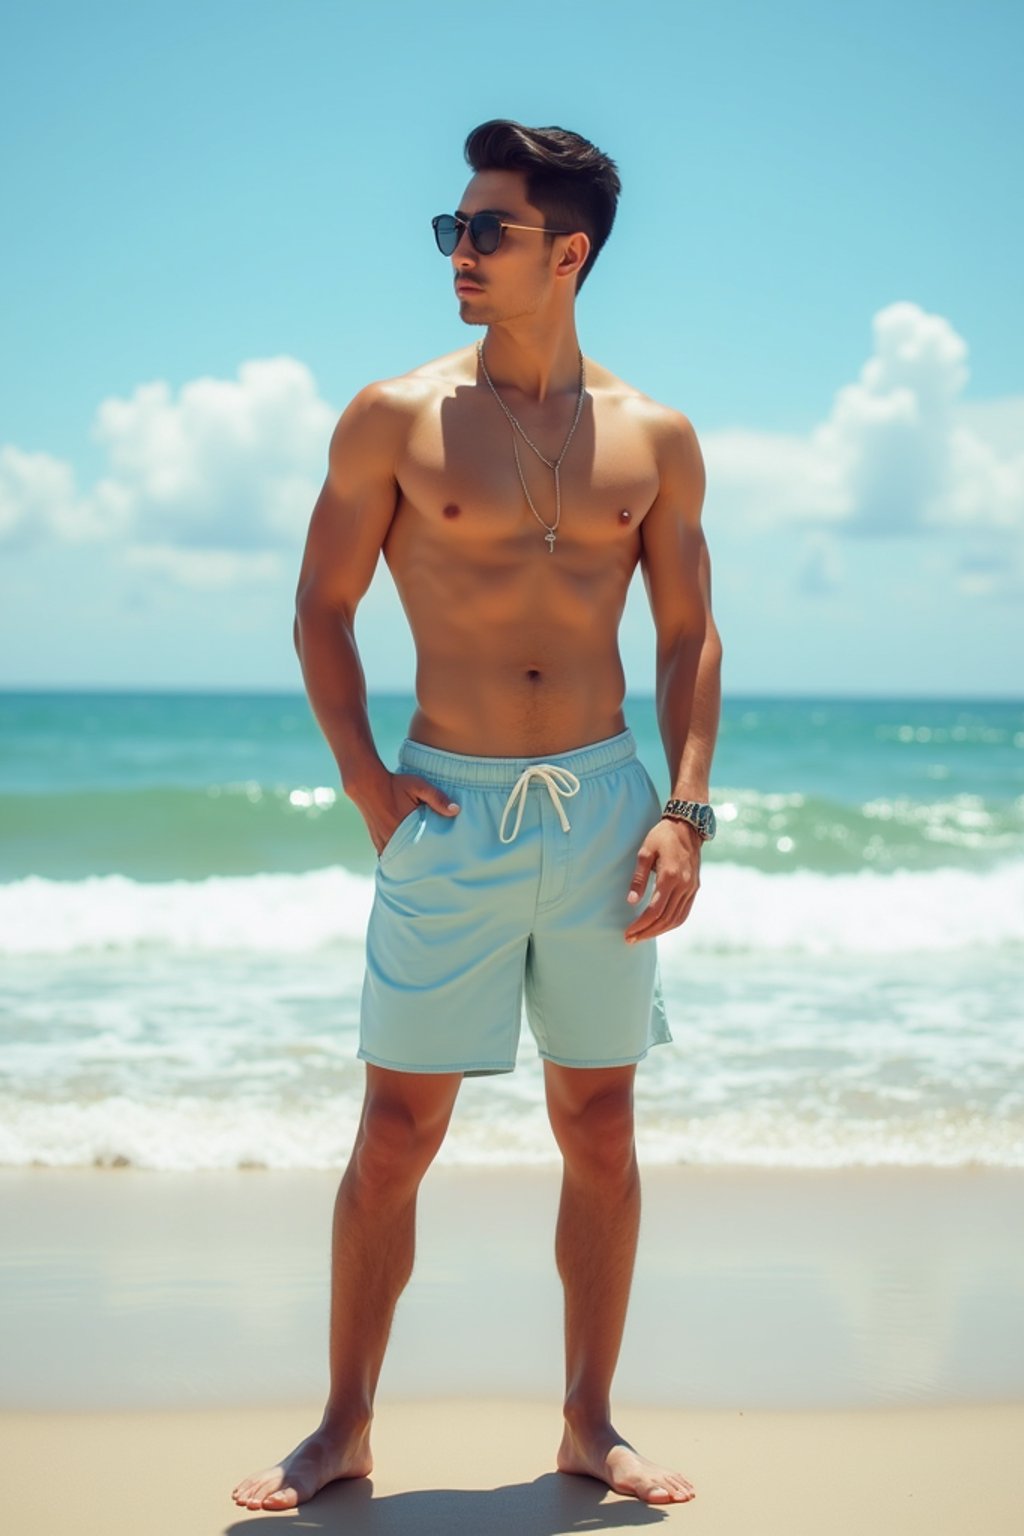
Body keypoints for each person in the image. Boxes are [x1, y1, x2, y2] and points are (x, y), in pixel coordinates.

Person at [232, 117, 721, 1513]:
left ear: (566, 253)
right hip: (447, 808)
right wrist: (368, 786)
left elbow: (693, 639)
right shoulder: (393, 416)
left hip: (604, 810)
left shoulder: (655, 438)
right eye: (451, 227)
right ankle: (340, 1426)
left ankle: (589, 1421)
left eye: (486, 230)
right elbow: (321, 611)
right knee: (395, 1129)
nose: (458, 250)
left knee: (604, 1123)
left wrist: (686, 808)